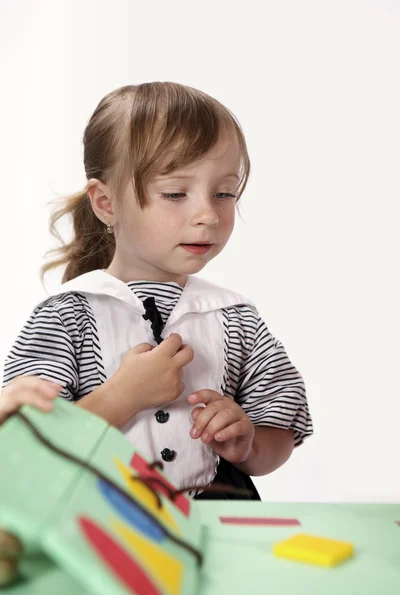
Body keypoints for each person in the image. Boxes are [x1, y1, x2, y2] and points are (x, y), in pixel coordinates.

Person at [1, 82, 313, 499]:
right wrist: (122, 395)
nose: (207, 214)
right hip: (99, 524)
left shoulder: (235, 316)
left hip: (214, 524)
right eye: (174, 194)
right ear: (106, 203)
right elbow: (24, 443)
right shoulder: (67, 314)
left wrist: (247, 442)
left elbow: (281, 433)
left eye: (224, 193)